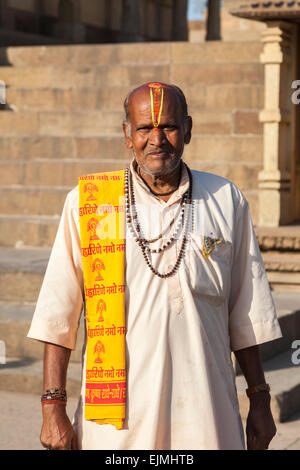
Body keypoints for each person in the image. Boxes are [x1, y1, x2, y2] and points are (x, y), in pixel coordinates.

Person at [27, 82, 282, 450]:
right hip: (118, 423)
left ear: (188, 129)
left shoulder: (226, 200)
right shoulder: (90, 203)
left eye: (169, 126)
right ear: (127, 135)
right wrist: (53, 406)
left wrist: (259, 399)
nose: (157, 139)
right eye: (145, 128)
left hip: (206, 413)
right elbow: (59, 313)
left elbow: (247, 315)